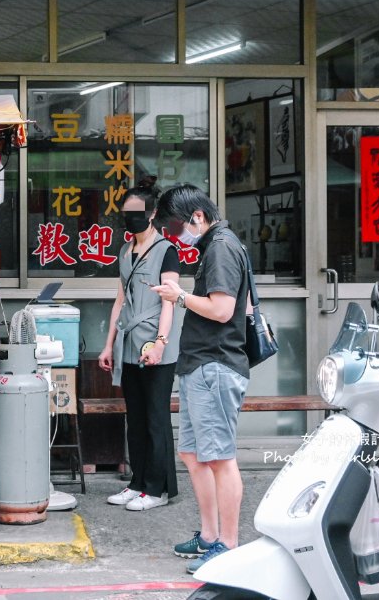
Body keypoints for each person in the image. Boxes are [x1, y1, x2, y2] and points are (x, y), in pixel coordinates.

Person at [151, 184, 248, 573]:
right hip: (200, 365)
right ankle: (209, 536)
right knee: (193, 454)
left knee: (220, 459)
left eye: (176, 227)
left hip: (214, 365)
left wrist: (178, 297)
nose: (176, 237)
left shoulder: (222, 247)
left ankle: (228, 544)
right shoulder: (217, 244)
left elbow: (222, 309)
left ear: (197, 217)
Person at [98, 178, 179, 511]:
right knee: (136, 416)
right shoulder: (124, 251)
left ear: (152, 212)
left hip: (155, 347)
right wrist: (108, 345)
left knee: (156, 417)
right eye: (126, 212)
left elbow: (170, 302)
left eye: (137, 212)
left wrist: (161, 342)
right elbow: (120, 301)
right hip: (129, 345)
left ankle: (158, 489)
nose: (131, 218)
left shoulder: (167, 251)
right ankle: (137, 483)